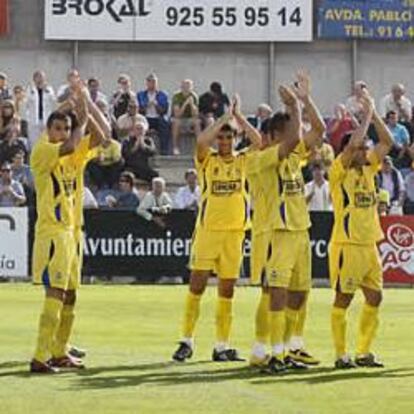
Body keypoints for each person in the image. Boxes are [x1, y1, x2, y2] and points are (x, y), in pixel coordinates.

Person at [171, 95, 261, 363]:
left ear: (234, 139)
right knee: (197, 285)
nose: (223, 142)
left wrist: (239, 116)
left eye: (228, 138)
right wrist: (223, 117)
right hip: (208, 230)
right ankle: (186, 340)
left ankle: (222, 346)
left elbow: (258, 142)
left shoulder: (243, 160)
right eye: (220, 138)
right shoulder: (207, 160)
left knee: (227, 289)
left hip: (235, 233)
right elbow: (201, 141)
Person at [247, 71, 325, 373]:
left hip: (299, 229)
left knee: (300, 291)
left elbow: (319, 129)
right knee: (274, 291)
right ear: (273, 136)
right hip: (274, 232)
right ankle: (273, 352)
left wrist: (305, 99)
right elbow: (295, 137)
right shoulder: (260, 159)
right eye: (287, 131)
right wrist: (294, 108)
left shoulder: (293, 158)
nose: (294, 135)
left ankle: (293, 346)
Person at [30, 80, 107, 374]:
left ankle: (59, 351)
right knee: (56, 293)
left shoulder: (73, 155)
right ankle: (40, 356)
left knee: (71, 294)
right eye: (57, 128)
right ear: (49, 130)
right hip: (54, 231)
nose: (62, 132)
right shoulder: (43, 151)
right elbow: (75, 141)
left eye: (65, 127)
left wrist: (84, 101)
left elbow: (102, 137)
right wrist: (80, 111)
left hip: (73, 231)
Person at [329, 89, 393, 369]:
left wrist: (374, 113)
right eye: (360, 147)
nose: (365, 150)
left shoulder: (368, 170)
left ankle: (363, 352)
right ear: (347, 151)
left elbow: (387, 142)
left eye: (365, 147)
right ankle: (341, 355)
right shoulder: (338, 171)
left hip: (369, 245)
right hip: (347, 245)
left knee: (375, 297)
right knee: (343, 298)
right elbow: (354, 143)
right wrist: (365, 114)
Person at [137, 73, 170, 155]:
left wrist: (156, 105)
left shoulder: (163, 95)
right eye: (150, 82)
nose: (152, 84)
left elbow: (164, 111)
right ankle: (142, 150)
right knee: (140, 126)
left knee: (164, 125)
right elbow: (139, 110)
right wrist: (147, 105)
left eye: (154, 82)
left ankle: (164, 150)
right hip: (146, 118)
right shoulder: (141, 95)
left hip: (158, 118)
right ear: (147, 83)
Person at [24, 71, 56, 150]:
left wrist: (47, 91)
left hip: (47, 120)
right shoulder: (30, 89)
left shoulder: (49, 89)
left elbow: (54, 103)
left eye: (41, 77)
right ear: (34, 79)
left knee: (47, 142)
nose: (40, 80)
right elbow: (26, 104)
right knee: (34, 143)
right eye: (38, 77)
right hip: (34, 121)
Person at [171, 79, 201, 155]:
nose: (186, 88)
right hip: (179, 118)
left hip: (190, 118)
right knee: (176, 122)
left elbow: (195, 114)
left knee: (197, 122)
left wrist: (191, 105)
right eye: (184, 86)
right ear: (181, 87)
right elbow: (177, 114)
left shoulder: (194, 96)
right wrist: (185, 104)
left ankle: (200, 147)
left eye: (188, 86)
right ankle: (175, 147)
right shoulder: (177, 96)